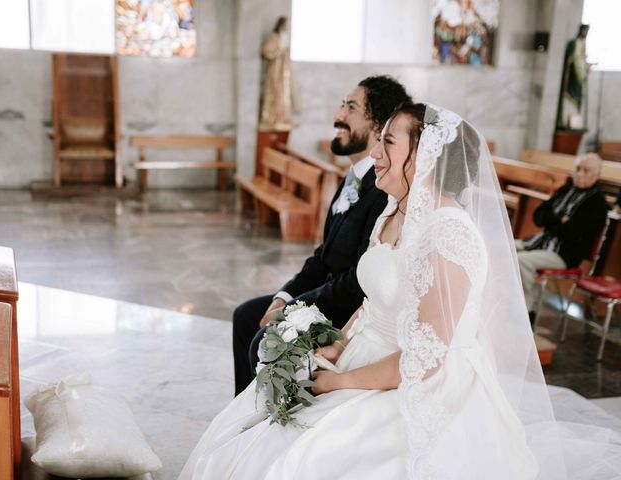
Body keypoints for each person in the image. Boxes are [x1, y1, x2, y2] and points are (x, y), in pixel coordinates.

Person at [179, 103, 621, 479]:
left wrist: (342, 382)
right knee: (253, 432)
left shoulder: (448, 234)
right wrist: (336, 344)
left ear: (425, 157)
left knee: (303, 458)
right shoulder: (393, 211)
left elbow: (426, 356)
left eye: (388, 142)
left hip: (418, 383)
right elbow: (373, 301)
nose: (375, 151)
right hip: (364, 355)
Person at [232, 76, 412, 395]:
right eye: (342, 104)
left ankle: (270, 419)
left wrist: (294, 310)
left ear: (377, 124)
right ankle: (244, 414)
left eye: (350, 107)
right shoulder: (352, 180)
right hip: (325, 294)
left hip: (348, 307)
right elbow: (322, 257)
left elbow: (359, 278)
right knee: (247, 316)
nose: (338, 115)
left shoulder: (383, 189)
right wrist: (283, 297)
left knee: (265, 338)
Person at [516, 153, 608, 321]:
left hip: (564, 254)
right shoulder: (566, 189)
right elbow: (538, 216)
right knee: (502, 247)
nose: (579, 174)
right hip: (541, 242)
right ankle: (508, 300)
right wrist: (559, 219)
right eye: (578, 168)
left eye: (586, 170)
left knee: (520, 260)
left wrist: (552, 221)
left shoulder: (597, 203)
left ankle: (527, 312)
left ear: (597, 175)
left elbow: (571, 233)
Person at [259, 16, 298, 130]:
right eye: (284, 25)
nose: (286, 28)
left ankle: (281, 118)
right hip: (275, 71)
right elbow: (266, 51)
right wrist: (279, 51)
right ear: (280, 25)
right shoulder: (274, 37)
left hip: (284, 73)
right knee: (274, 93)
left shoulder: (284, 37)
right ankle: (271, 118)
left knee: (283, 96)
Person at [557, 24, 590, 130]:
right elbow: (569, 59)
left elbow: (582, 61)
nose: (586, 34)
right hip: (572, 76)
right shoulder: (573, 43)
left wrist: (586, 67)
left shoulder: (583, 45)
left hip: (579, 76)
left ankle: (574, 122)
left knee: (577, 100)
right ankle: (566, 121)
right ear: (581, 31)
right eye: (585, 31)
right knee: (569, 97)